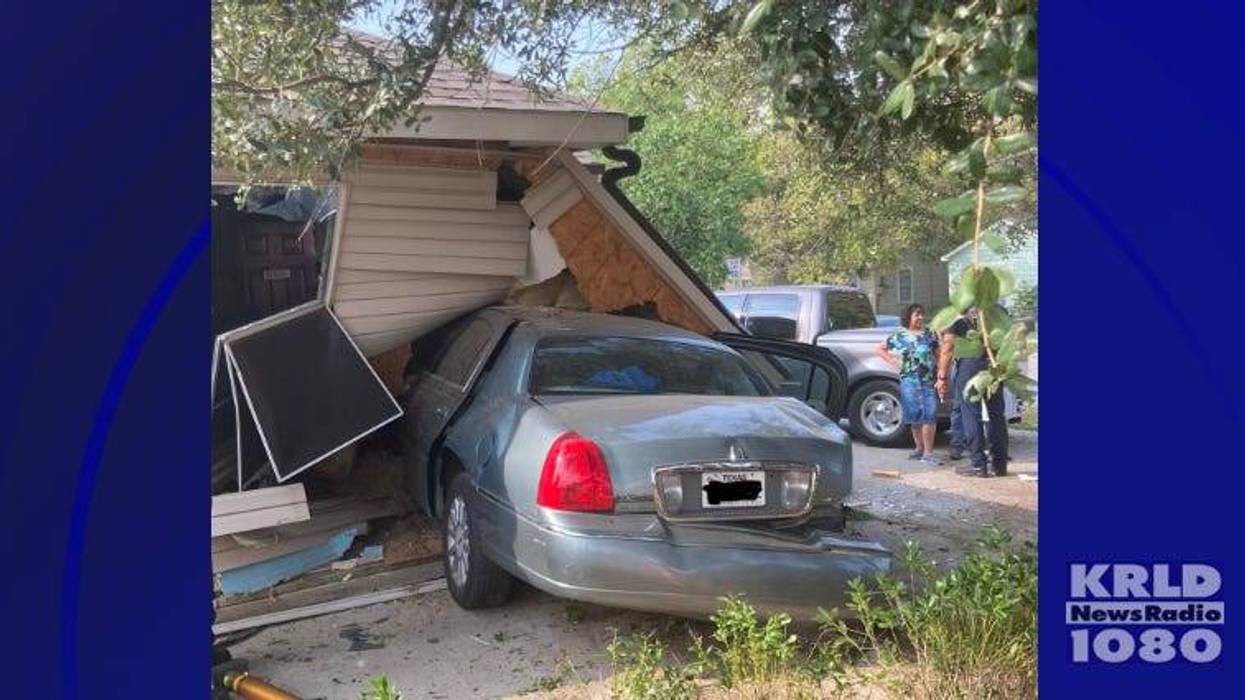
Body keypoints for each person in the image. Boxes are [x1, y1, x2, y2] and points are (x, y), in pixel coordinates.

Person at [935, 307, 1009, 477]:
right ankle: (1000, 465)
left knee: (971, 415)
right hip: (995, 363)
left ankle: (979, 465)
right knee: (996, 415)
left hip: (970, 365)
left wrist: (941, 377)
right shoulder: (999, 312)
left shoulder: (959, 316)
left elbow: (947, 347)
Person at [876, 304, 941, 464]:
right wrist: (895, 363)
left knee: (930, 414)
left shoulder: (929, 334)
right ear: (909, 317)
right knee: (914, 416)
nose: (921, 317)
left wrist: (941, 373)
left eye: (922, 314)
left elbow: (938, 353)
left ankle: (928, 453)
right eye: (917, 314)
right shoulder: (899, 335)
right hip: (909, 381)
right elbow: (880, 349)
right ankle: (919, 449)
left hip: (926, 380)